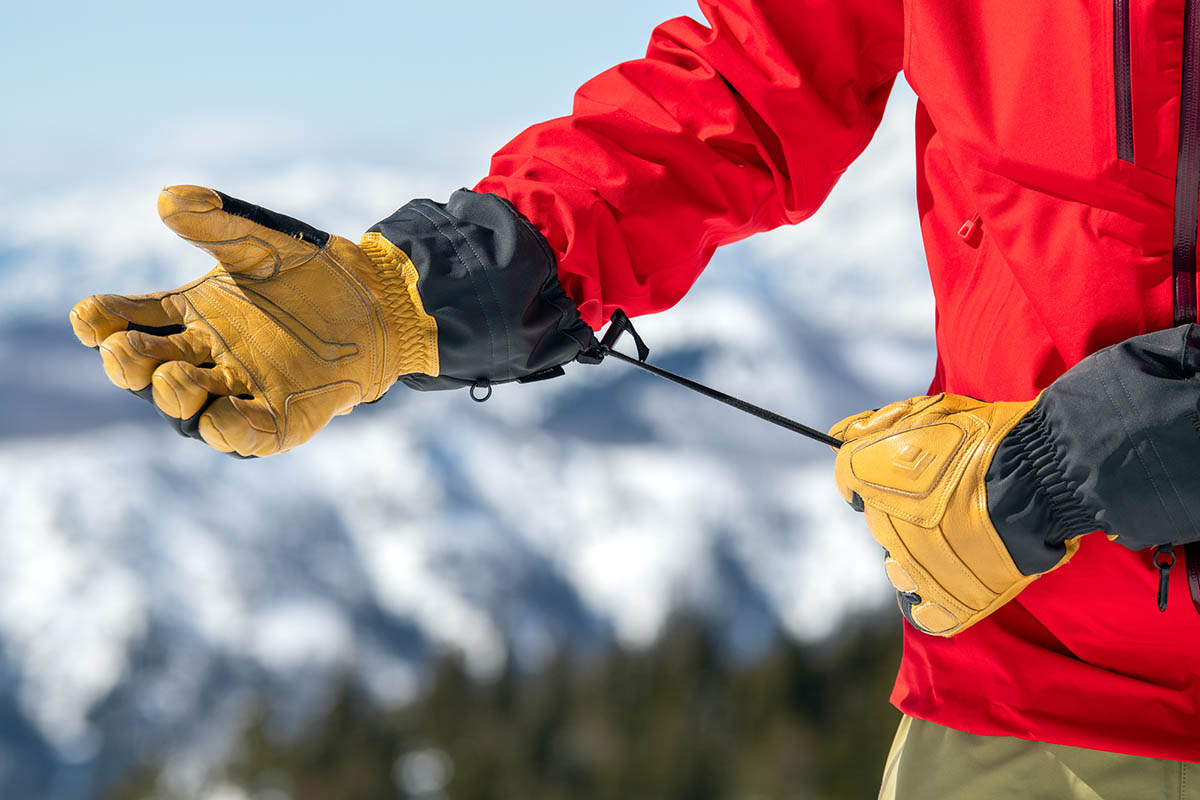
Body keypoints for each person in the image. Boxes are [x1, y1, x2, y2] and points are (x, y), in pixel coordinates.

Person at [68, 0, 1200, 796]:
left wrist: (1117, 446)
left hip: (1028, 555)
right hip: (1028, 670)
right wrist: (426, 287)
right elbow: (759, 76)